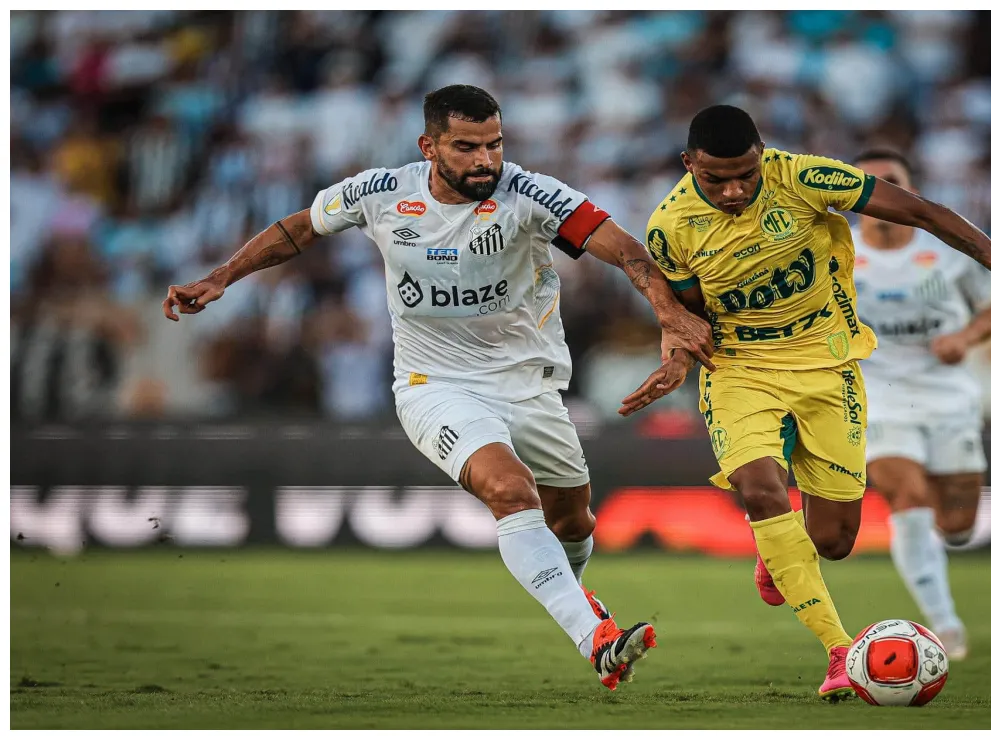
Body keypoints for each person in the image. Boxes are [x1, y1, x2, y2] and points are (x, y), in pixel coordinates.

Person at [163, 84, 714, 691]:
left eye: (494, 144)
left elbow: (623, 248)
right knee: (509, 489)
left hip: (529, 385)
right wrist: (220, 278)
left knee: (575, 523)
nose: (485, 160)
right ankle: (594, 637)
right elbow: (298, 229)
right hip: (435, 383)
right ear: (429, 146)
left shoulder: (528, 194)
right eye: (467, 147)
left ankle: (580, 603)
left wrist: (666, 311)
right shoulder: (380, 193)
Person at [619, 105, 991, 700]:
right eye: (716, 179)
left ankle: (778, 550)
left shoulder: (804, 177)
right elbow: (695, 318)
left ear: (762, 152)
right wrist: (678, 360)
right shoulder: (670, 227)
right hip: (741, 370)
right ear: (689, 165)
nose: (735, 190)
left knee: (836, 541)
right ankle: (840, 651)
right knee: (760, 488)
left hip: (830, 365)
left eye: (746, 173)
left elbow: (923, 211)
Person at [849, 148, 991, 661]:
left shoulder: (947, 250)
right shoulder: (838, 252)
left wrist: (965, 338)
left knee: (958, 525)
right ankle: (945, 623)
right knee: (907, 499)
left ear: (911, 190)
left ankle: (944, 551)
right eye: (869, 183)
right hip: (879, 395)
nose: (882, 191)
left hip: (947, 395)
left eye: (892, 181)